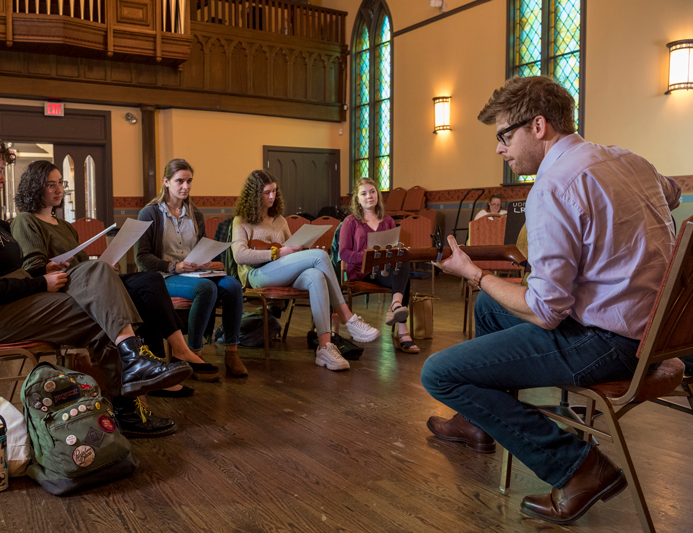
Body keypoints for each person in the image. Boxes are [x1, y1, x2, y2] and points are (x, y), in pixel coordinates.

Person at [420, 76, 681, 525]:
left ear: (537, 126)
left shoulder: (552, 187)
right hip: (658, 332)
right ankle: (478, 422)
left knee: (439, 373)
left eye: (504, 136)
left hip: (609, 344)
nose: (500, 149)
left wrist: (475, 274)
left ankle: (579, 467)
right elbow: (672, 191)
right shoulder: (628, 159)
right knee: (489, 310)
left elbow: (546, 312)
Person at [0, 134, 193, 438]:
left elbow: (9, 270)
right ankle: (131, 387)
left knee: (97, 274)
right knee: (97, 311)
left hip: (2, 303)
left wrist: (43, 273)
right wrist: (38, 283)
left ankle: (132, 364)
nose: (2, 180)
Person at [10, 160, 221, 398]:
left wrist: (104, 264)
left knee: (150, 282)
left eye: (61, 183)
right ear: (35, 188)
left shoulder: (65, 226)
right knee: (145, 287)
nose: (59, 189)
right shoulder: (25, 221)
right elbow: (34, 268)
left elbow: (81, 264)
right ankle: (165, 361)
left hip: (87, 282)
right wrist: (53, 266)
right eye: (51, 185)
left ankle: (160, 365)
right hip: (63, 290)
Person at [231, 170, 380, 372]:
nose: (272, 197)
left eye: (274, 191)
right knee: (321, 256)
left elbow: (291, 249)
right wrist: (277, 253)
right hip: (257, 275)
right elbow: (240, 256)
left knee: (316, 275)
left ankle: (325, 347)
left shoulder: (280, 220)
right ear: (254, 195)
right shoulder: (241, 220)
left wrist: (297, 248)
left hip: (283, 271)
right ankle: (347, 317)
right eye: (267, 193)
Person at [135, 158, 247, 378]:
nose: (185, 186)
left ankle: (232, 352)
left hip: (193, 272)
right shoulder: (150, 213)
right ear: (166, 182)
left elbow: (200, 248)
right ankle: (193, 352)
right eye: (180, 181)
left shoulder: (195, 214)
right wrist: (174, 266)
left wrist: (207, 261)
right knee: (205, 288)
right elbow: (142, 258)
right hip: (164, 276)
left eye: (189, 181)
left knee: (233, 285)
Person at [339, 177, 418, 353]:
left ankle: (396, 305)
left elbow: (392, 248)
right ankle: (403, 331)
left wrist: (395, 250)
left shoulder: (387, 220)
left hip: (384, 271)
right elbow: (343, 253)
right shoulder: (351, 221)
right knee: (403, 280)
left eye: (372, 192)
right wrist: (368, 257)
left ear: (378, 195)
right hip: (363, 272)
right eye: (364, 193)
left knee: (402, 257)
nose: (369, 196)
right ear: (357, 199)